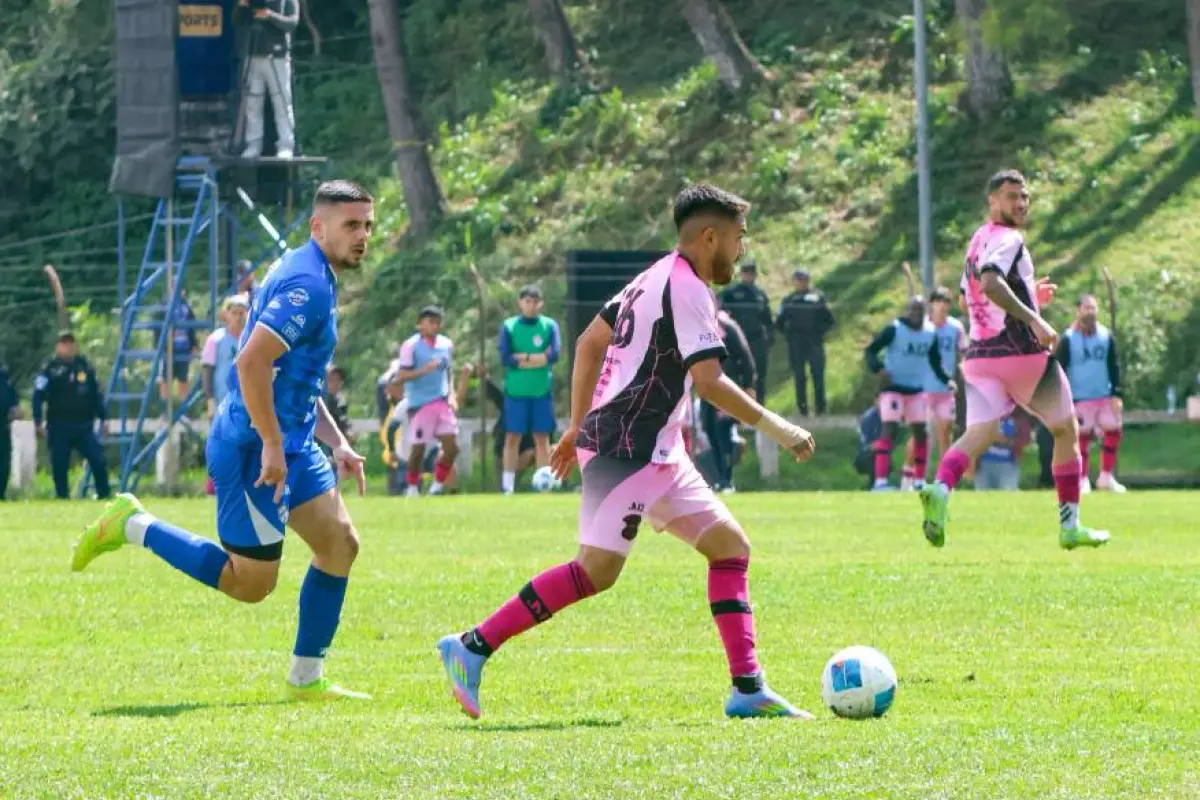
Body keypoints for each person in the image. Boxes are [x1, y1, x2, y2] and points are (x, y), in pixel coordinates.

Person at [436, 184, 818, 721]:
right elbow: (710, 382)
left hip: (659, 450)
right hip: (625, 449)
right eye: (739, 238)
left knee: (730, 547)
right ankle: (472, 646)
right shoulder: (687, 289)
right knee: (596, 571)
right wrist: (782, 429)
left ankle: (748, 688)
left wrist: (576, 423)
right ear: (711, 237)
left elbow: (590, 342)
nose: (742, 250)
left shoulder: (652, 276)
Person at [71, 180, 375, 701]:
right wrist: (272, 445)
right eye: (351, 225)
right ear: (318, 227)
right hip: (254, 448)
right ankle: (132, 524)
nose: (362, 235)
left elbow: (294, 376)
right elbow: (251, 362)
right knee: (250, 584)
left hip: (290, 442)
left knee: (339, 544)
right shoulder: (309, 286)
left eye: (367, 225)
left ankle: (306, 679)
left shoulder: (310, 270)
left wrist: (336, 442)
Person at [920, 170, 1109, 550]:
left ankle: (940, 488)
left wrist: (1029, 295)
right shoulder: (1010, 238)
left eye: (1024, 197)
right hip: (1021, 354)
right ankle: (1070, 525)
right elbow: (991, 282)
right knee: (1065, 429)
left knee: (979, 432)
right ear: (992, 201)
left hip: (979, 358)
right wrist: (1034, 318)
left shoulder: (977, 240)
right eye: (1011, 196)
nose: (1020, 204)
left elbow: (967, 301)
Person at [863, 297, 951, 491]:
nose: (916, 314)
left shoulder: (930, 333)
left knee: (921, 433)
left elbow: (935, 362)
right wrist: (879, 369)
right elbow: (870, 351)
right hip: (893, 389)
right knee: (890, 430)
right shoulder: (894, 329)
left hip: (916, 390)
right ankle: (880, 482)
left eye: (919, 310)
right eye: (912, 310)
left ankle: (919, 481)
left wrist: (947, 380)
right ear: (906, 311)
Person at [1056, 294, 1126, 493]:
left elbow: (1114, 365)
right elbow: (1059, 369)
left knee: (1114, 431)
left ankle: (1106, 477)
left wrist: (1117, 393)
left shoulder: (1106, 336)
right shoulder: (1068, 338)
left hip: (1104, 395)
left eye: (1093, 308)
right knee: (1082, 437)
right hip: (1080, 397)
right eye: (1087, 308)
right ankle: (1082, 479)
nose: (1090, 312)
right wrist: (1063, 397)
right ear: (1078, 311)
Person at [900, 286, 967, 490]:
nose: (942, 307)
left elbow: (963, 353)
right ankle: (908, 476)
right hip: (922, 390)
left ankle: (944, 480)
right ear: (931, 305)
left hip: (945, 390)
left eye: (946, 303)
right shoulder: (922, 327)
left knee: (945, 433)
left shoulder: (956, 328)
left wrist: (965, 373)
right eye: (938, 302)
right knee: (919, 435)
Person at [498, 285, 562, 495]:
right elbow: (506, 357)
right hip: (516, 392)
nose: (531, 305)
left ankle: (544, 484)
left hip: (541, 391)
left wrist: (523, 358)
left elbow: (554, 355)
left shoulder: (550, 325)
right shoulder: (509, 326)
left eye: (535, 301)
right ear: (520, 303)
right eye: (527, 301)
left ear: (541, 303)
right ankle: (507, 487)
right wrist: (537, 358)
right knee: (512, 437)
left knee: (542, 438)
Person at [33, 331, 111, 500]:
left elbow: (96, 394)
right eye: (64, 343)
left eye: (71, 343)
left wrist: (104, 418)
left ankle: (104, 495)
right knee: (60, 464)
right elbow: (38, 395)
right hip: (59, 425)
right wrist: (37, 421)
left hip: (84, 426)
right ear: (58, 347)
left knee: (97, 459)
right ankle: (62, 497)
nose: (68, 347)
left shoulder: (84, 366)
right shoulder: (49, 369)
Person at [394, 306, 459, 497]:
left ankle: (437, 485)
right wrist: (423, 370)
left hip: (442, 402)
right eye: (430, 322)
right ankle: (412, 487)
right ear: (420, 324)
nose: (434, 326)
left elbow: (449, 371)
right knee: (418, 449)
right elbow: (402, 375)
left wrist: (452, 394)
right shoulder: (410, 346)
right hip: (420, 403)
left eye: (437, 322)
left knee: (452, 448)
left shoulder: (446, 344)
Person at [699, 309, 757, 493]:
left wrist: (748, 385)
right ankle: (720, 479)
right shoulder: (698, 325)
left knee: (724, 432)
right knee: (710, 431)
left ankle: (727, 479)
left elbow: (745, 355)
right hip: (707, 389)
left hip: (726, 387)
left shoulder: (727, 326)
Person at [236, 0, 299, 159]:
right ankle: (253, 144)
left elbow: (292, 22)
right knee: (252, 103)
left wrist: (270, 15)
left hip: (277, 56)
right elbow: (237, 20)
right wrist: (242, 6)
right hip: (253, 54)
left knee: (282, 102)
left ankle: (286, 145)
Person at [200, 294, 249, 494]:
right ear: (226, 315)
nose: (238, 317)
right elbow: (207, 370)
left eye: (241, 313)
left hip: (249, 400)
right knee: (221, 442)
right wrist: (210, 400)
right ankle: (215, 485)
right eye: (234, 313)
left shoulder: (253, 337)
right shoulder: (216, 340)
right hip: (223, 400)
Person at [776, 268, 834, 415]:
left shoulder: (818, 298)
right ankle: (802, 408)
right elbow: (779, 322)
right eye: (799, 280)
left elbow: (829, 320)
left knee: (818, 375)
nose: (802, 283)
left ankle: (820, 407)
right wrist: (789, 335)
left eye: (804, 280)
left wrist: (819, 332)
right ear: (794, 282)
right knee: (799, 376)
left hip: (814, 341)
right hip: (796, 343)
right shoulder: (788, 300)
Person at [719, 261, 773, 403]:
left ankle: (759, 406)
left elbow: (767, 318)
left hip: (757, 339)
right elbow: (720, 312)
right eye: (746, 272)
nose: (749, 275)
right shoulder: (731, 292)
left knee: (759, 374)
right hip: (737, 341)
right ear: (741, 274)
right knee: (735, 373)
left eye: (751, 273)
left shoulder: (760, 294)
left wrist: (769, 338)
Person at [157, 289, 199, 409]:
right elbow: (158, 327)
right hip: (168, 349)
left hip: (183, 348)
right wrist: (159, 344)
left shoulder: (186, 305)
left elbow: (192, 326)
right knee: (165, 380)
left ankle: (183, 411)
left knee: (183, 380)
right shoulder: (164, 305)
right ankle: (165, 411)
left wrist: (194, 344)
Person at [973, 413, 1030, 491]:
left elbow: (1025, 439)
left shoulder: (1017, 418)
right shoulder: (983, 416)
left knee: (1007, 494)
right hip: (983, 463)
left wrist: (1008, 442)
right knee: (982, 494)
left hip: (1008, 463)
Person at [324, 365, 354, 446]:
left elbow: (343, 419)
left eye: (339, 380)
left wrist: (348, 433)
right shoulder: (313, 397)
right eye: (331, 380)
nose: (335, 383)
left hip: (335, 446)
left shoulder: (341, 400)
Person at [0, 363, 18, 500]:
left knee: (3, 461)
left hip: (2, 424)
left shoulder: (3, 375)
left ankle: (1, 493)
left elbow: (11, 396)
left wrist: (14, 409)